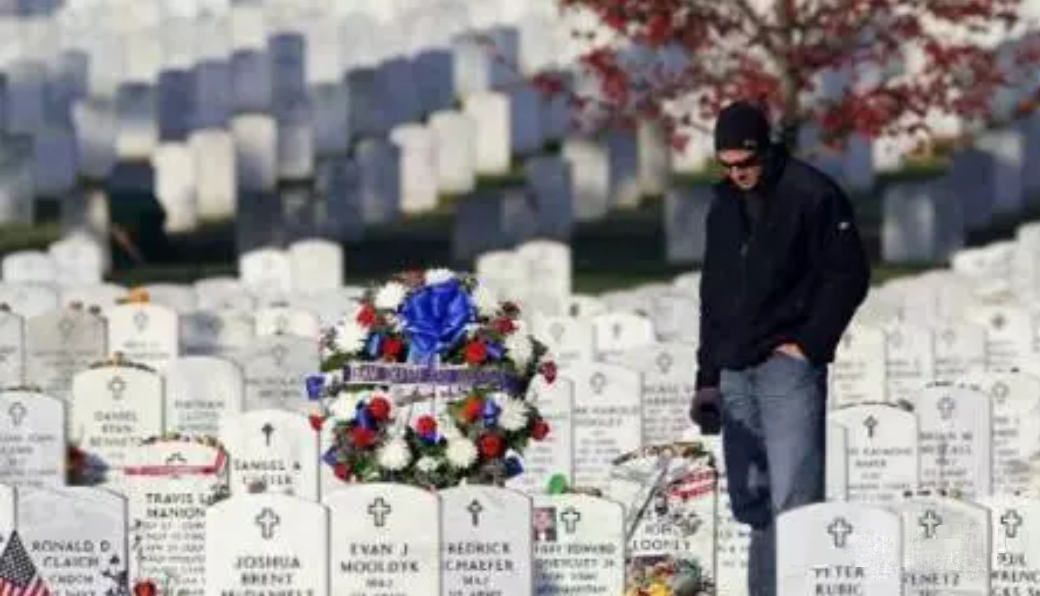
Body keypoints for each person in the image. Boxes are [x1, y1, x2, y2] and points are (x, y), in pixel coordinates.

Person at [689, 101, 870, 596]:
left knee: (795, 501)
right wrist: (707, 377)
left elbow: (849, 274)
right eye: (726, 165)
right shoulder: (723, 203)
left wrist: (810, 344)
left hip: (786, 367)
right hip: (733, 368)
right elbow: (714, 293)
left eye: (745, 163)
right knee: (753, 501)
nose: (737, 174)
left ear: (765, 150)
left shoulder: (813, 195)